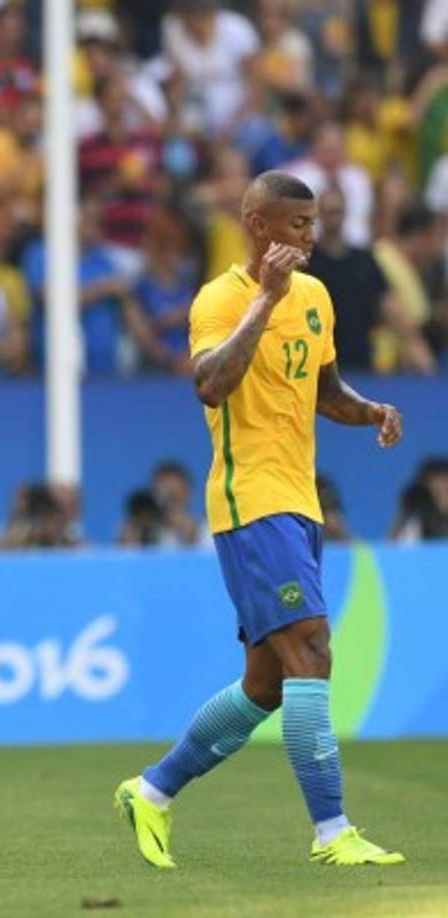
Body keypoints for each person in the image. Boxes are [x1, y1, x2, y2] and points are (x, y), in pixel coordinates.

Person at [114, 171, 406, 869]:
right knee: (311, 648)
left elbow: (322, 388)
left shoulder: (315, 295)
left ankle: (150, 791)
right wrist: (264, 301)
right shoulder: (220, 299)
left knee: (267, 685)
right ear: (255, 222)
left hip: (298, 501)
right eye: (295, 225)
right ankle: (332, 832)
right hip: (250, 502)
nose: (308, 237)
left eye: (312, 225)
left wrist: (366, 410)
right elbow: (211, 385)